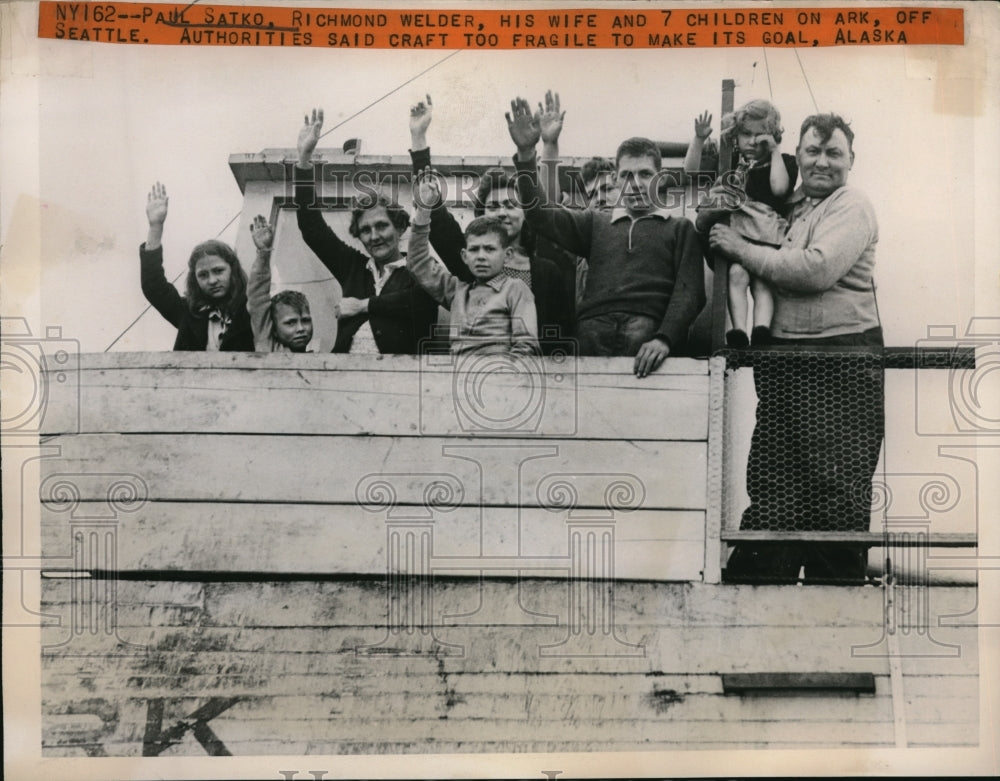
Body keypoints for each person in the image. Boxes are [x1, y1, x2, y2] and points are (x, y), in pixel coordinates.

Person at [707, 113, 882, 583]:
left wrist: (741, 247)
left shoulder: (852, 206)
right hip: (782, 362)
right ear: (796, 155)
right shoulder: (789, 206)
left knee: (835, 494)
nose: (822, 162)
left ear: (851, 160)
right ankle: (756, 608)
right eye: (813, 151)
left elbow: (812, 270)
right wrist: (721, 209)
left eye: (834, 153)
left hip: (840, 362)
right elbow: (726, 246)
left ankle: (835, 622)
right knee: (773, 486)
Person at [506, 97, 705, 378]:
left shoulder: (680, 228)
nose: (635, 183)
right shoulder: (594, 222)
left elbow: (691, 292)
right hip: (589, 335)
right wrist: (527, 155)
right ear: (617, 178)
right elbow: (541, 217)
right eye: (626, 175)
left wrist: (664, 338)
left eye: (645, 174)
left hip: (647, 337)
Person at [407, 94, 572, 352]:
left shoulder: (546, 265)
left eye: (511, 205)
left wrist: (549, 145)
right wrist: (419, 139)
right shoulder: (469, 266)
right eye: (493, 206)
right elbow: (432, 209)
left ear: (526, 213)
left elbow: (547, 206)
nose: (502, 213)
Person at [294, 108, 439, 354]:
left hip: (398, 383)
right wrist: (304, 159)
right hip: (345, 379)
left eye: (382, 226)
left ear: (401, 227)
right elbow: (312, 230)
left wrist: (362, 306)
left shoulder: (420, 267)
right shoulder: (354, 267)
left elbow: (421, 304)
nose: (374, 236)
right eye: (365, 230)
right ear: (358, 235)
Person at [695, 100, 798, 348]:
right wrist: (698, 141)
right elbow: (692, 171)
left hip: (764, 231)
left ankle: (761, 329)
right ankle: (739, 331)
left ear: (773, 136)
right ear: (735, 136)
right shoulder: (730, 163)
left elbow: (779, 188)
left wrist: (773, 152)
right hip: (737, 230)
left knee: (762, 283)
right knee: (737, 275)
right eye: (746, 134)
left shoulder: (783, 162)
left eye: (759, 135)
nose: (752, 141)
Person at [407, 170, 539, 356]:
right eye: (474, 250)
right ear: (464, 256)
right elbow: (417, 263)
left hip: (501, 375)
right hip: (458, 376)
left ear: (507, 255)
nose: (481, 256)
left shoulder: (517, 289)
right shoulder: (456, 291)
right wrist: (423, 210)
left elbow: (526, 345)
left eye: (490, 249)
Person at [140, 182, 254, 351]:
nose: (212, 280)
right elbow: (153, 286)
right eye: (203, 275)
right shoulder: (188, 313)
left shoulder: (252, 310)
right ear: (195, 279)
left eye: (218, 271)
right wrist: (156, 227)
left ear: (233, 270)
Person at [247, 215, 316, 353]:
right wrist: (263, 253)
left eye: (306, 321)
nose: (301, 328)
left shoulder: (317, 358)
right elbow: (257, 297)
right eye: (290, 322)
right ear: (274, 330)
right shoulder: (269, 347)